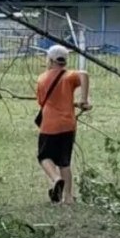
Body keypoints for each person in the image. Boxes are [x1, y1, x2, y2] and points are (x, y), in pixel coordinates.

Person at [35, 45, 91, 204]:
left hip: (49, 125)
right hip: (68, 125)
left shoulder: (42, 78)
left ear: (50, 60)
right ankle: (68, 197)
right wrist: (84, 100)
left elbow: (41, 102)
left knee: (44, 156)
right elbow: (84, 74)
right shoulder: (69, 77)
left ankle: (56, 178)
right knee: (64, 161)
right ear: (65, 60)